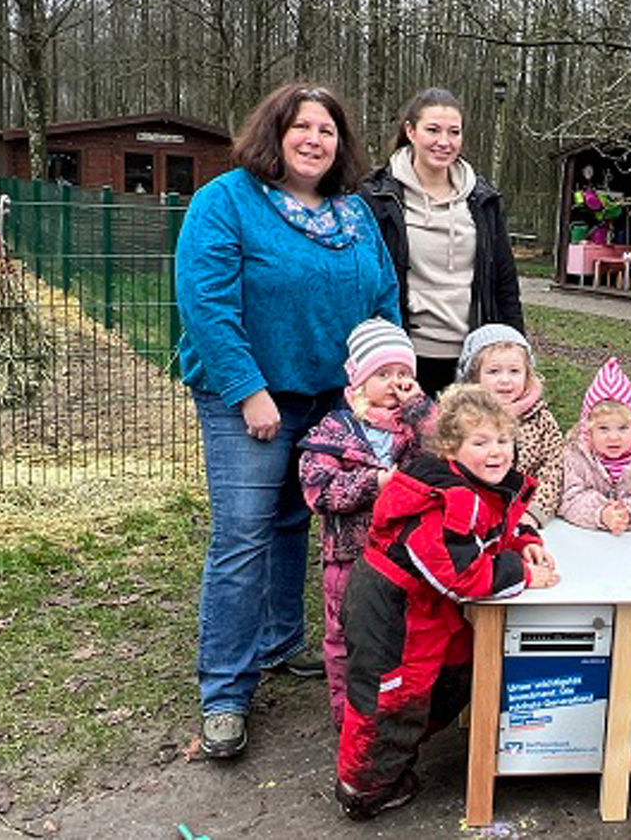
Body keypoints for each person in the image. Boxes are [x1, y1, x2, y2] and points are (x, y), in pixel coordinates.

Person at [175, 82, 399, 759]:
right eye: (300, 126)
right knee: (243, 534)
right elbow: (204, 300)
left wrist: (384, 382)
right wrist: (247, 390)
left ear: (341, 145)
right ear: (273, 132)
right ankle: (225, 692)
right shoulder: (227, 201)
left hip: (333, 397)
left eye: (326, 130)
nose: (313, 140)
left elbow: (382, 301)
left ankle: (278, 643)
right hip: (246, 396)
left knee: (295, 520)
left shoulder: (354, 215)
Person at [335, 384, 559, 819]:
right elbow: (458, 573)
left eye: (503, 440)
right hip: (392, 606)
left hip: (429, 606)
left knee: (456, 671)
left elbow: (493, 529)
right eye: (480, 442)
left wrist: (523, 541)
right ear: (451, 448)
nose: (496, 452)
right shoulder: (440, 497)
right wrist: (524, 574)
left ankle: (401, 753)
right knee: (389, 697)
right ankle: (364, 789)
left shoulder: (481, 485)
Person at [297, 318, 433, 726]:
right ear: (357, 381)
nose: (395, 383)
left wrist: (421, 408)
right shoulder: (335, 430)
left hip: (405, 559)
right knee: (345, 638)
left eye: (404, 374)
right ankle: (350, 718)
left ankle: (400, 713)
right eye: (383, 374)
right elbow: (318, 489)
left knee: (404, 635)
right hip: (349, 561)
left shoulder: (417, 427)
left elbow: (448, 449)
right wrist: (374, 482)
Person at [361, 87, 525, 397]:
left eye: (454, 132)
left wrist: (517, 349)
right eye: (433, 130)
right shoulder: (376, 197)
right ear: (410, 131)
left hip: (473, 359)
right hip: (403, 357)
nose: (444, 142)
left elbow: (505, 283)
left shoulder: (482, 199)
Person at [456, 324, 563, 528]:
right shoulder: (462, 417)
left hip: (522, 513)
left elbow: (553, 467)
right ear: (475, 376)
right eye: (494, 371)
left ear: (527, 375)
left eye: (514, 371)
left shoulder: (539, 418)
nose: (505, 380)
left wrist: (534, 512)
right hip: (471, 515)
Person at [559, 357, 631, 533]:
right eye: (603, 428)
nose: (614, 437)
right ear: (588, 429)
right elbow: (569, 498)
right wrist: (602, 513)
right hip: (587, 540)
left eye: (623, 428)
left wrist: (628, 513)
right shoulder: (575, 457)